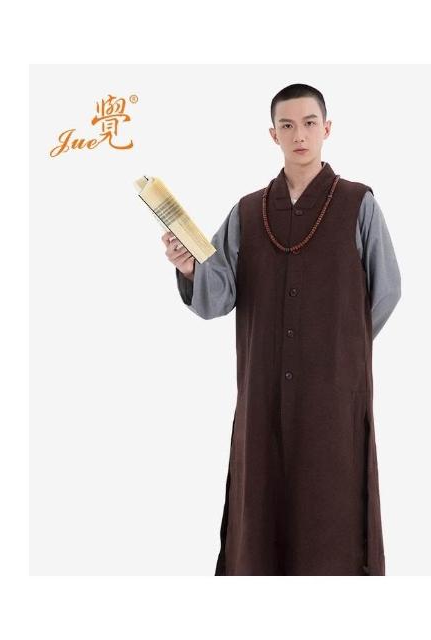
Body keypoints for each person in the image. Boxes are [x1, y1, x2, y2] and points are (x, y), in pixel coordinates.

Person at [162, 83, 401, 575]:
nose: (300, 136)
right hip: (262, 396)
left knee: (332, 507)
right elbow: (218, 295)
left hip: (333, 397)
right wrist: (188, 268)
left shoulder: (358, 204)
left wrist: (342, 349)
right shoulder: (248, 212)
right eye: (287, 126)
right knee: (261, 508)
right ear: (273, 135)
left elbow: (386, 290)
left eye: (309, 124)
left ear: (327, 129)